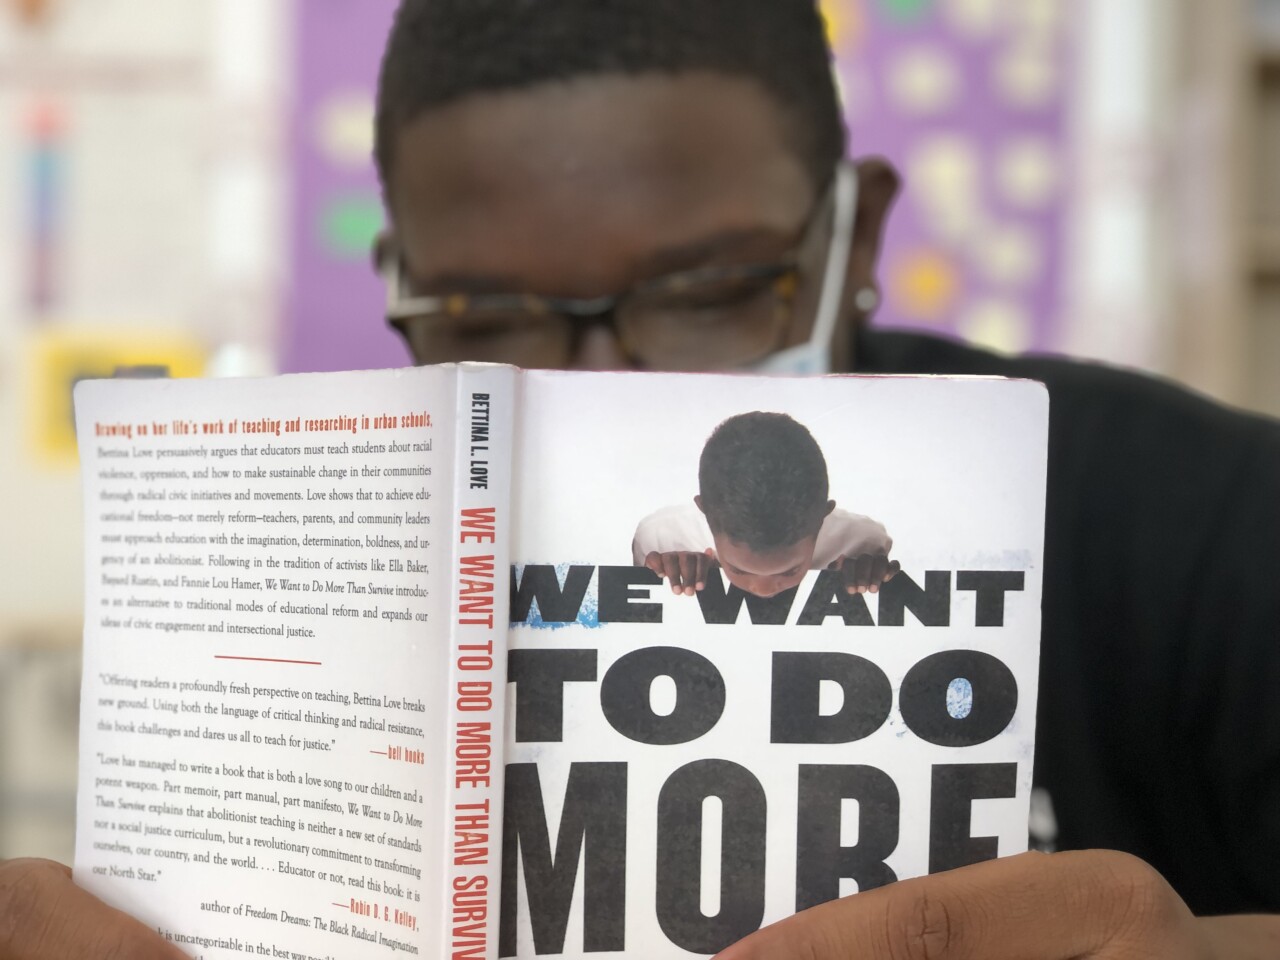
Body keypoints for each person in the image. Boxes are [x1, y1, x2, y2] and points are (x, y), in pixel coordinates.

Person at [4, 1, 1278, 957]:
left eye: (708, 291)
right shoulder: (329, 570)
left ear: (856, 234)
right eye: (482, 309)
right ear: (400, 279)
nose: (600, 379)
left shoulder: (1203, 524)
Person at [632, 410, 899, 598]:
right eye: (738, 569)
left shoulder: (862, 543)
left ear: (822, 519)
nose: (763, 590)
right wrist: (664, 583)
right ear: (705, 513)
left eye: (791, 570)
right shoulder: (663, 539)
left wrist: (865, 592)